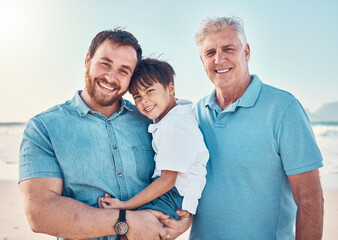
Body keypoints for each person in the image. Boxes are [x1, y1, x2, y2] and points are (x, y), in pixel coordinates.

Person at [19, 29, 191, 240]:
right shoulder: (44, 127)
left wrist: (184, 216)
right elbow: (39, 214)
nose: (111, 77)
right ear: (88, 60)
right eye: (105, 64)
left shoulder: (152, 122)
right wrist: (124, 222)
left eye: (124, 70)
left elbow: (184, 171)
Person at [190, 17, 324, 240]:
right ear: (202, 60)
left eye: (228, 49)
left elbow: (309, 197)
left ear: (247, 52)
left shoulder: (283, 108)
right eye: (210, 52)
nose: (219, 59)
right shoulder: (195, 113)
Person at [98, 58, 209, 220]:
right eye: (137, 96)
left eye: (150, 91)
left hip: (171, 196)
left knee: (133, 229)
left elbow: (167, 180)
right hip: (174, 196)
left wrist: (125, 205)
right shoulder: (173, 117)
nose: (144, 101)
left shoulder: (173, 126)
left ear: (170, 88)